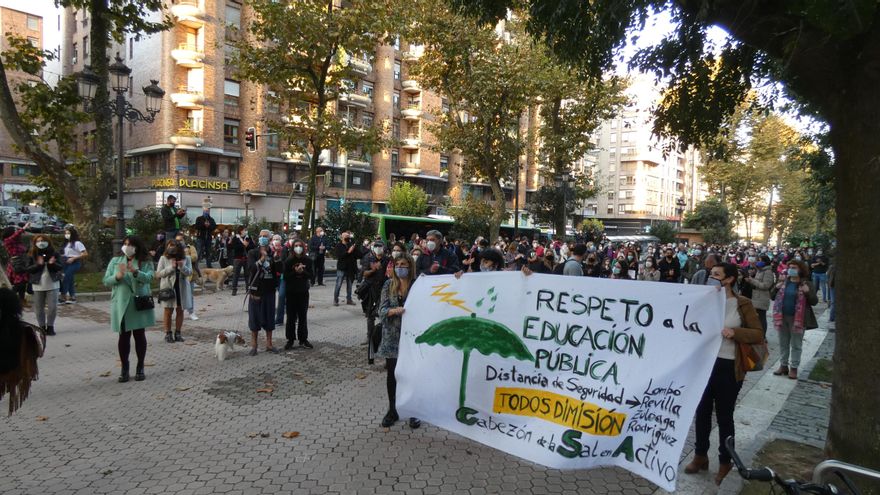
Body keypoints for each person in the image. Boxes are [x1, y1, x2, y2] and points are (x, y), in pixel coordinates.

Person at [684, 262, 764, 485]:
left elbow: (758, 334)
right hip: (705, 365)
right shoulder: (705, 301)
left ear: (728, 279)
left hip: (729, 366)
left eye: (716, 275)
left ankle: (725, 460)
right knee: (702, 411)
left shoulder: (742, 303)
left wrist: (735, 332)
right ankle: (700, 455)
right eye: (710, 274)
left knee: (724, 415)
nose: (711, 278)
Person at [377, 253, 421, 429]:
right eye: (398, 264)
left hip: (413, 339)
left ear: (410, 266)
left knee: (412, 375)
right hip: (392, 338)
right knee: (393, 375)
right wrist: (394, 311)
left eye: (404, 264)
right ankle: (393, 410)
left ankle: (413, 411)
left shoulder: (419, 285)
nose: (400, 267)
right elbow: (381, 310)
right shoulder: (389, 285)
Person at [103, 236, 155, 382]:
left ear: (137, 247)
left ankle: (140, 367)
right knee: (123, 337)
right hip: (122, 304)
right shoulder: (115, 261)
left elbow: (150, 278)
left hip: (138, 303)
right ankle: (124, 368)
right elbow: (106, 280)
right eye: (125, 244)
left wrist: (136, 272)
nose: (127, 247)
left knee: (139, 336)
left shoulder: (145, 261)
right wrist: (117, 276)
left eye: (130, 245)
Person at [771, 260, 818, 380]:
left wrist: (807, 292)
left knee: (796, 344)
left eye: (794, 267)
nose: (791, 269)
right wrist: (776, 288)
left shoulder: (806, 283)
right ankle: (783, 365)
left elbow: (814, 301)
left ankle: (794, 368)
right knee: (783, 342)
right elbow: (772, 297)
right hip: (782, 317)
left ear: (801, 270)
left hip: (798, 319)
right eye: (790, 267)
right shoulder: (784, 282)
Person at [247, 231, 282, 354]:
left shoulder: (273, 254)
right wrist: (262, 258)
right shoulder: (253, 253)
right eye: (260, 236)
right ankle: (254, 345)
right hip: (256, 291)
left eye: (265, 236)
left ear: (270, 239)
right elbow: (251, 268)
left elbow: (279, 271)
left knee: (269, 318)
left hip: (269, 291)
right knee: (254, 319)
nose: (262, 238)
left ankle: (269, 344)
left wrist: (277, 259)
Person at [156, 239, 192, 343]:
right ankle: (168, 333)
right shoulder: (163, 258)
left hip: (181, 288)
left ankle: (178, 333)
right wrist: (171, 268)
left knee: (180, 311)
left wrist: (182, 266)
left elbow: (189, 273)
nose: (171, 248)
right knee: (168, 311)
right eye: (169, 246)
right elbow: (158, 274)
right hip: (168, 288)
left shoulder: (187, 258)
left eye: (173, 246)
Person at [25, 235, 62, 336]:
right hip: (38, 285)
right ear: (35, 243)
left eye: (43, 241)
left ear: (48, 242)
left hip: (53, 283)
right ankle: (41, 327)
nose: (41, 243)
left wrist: (51, 264)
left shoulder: (54, 253)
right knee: (39, 307)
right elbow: (28, 269)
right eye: (38, 241)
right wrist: (38, 264)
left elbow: (60, 266)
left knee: (52, 307)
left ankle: (50, 326)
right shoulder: (32, 254)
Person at [361, 240, 390, 364]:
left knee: (384, 315)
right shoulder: (368, 258)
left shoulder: (387, 259)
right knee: (370, 315)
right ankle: (370, 337)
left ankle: (383, 337)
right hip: (371, 291)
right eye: (376, 246)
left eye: (380, 246)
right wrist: (373, 270)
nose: (378, 248)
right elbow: (364, 273)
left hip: (384, 290)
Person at [284, 239, 313, 350]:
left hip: (303, 292)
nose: (298, 248)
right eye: (296, 246)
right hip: (291, 292)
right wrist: (295, 272)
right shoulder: (289, 261)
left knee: (302, 316)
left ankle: (303, 339)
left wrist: (303, 272)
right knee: (291, 317)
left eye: (300, 245)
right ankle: (290, 339)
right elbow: (285, 277)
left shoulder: (308, 260)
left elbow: (311, 275)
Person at [744, 254, 775, 333]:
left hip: (762, 298)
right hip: (756, 297)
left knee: (761, 317)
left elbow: (765, 285)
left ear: (765, 262)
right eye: (758, 260)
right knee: (756, 318)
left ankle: (763, 336)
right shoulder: (759, 270)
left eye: (760, 260)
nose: (758, 262)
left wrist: (752, 281)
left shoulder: (768, 272)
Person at [3, 223, 30, 304]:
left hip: (22, 263)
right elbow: (15, 235)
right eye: (15, 231)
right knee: (19, 283)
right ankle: (7, 298)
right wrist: (23, 228)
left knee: (23, 282)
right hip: (16, 264)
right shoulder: (7, 241)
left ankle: (22, 300)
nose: (17, 232)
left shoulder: (17, 242)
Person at [59, 226, 87, 304]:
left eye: (69, 233)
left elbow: (85, 253)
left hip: (74, 262)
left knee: (66, 278)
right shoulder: (66, 243)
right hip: (65, 262)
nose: (67, 235)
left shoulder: (77, 243)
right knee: (70, 279)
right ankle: (72, 296)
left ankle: (63, 296)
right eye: (66, 233)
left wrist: (74, 258)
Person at [334, 231, 358, 306]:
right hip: (342, 268)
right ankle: (335, 299)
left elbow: (357, 255)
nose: (348, 238)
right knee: (338, 284)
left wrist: (354, 248)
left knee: (350, 285)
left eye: (349, 236)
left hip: (350, 268)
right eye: (346, 237)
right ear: (342, 238)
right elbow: (340, 256)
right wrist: (348, 252)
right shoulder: (339, 246)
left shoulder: (350, 245)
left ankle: (349, 299)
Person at [229, 227, 251, 296]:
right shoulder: (236, 238)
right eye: (244, 230)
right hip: (237, 258)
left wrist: (247, 245)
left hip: (247, 258)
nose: (245, 231)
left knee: (247, 274)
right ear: (241, 231)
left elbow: (253, 246)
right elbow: (233, 247)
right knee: (236, 275)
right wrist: (243, 245)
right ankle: (234, 289)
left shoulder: (248, 237)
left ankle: (248, 289)